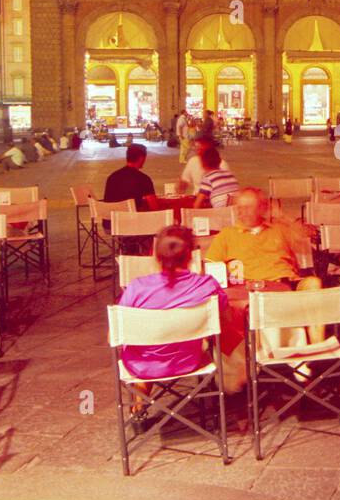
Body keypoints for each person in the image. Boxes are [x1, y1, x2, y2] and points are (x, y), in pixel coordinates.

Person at [117, 226, 227, 404]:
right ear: (191, 255)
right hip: (188, 360)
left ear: (155, 254)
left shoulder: (137, 287)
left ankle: (139, 402)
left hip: (143, 366)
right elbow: (222, 310)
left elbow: (115, 334)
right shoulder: (207, 285)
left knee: (141, 343)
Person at [206, 188, 325, 343]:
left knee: (313, 283)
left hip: (287, 284)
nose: (243, 212)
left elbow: (308, 233)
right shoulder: (227, 235)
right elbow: (210, 266)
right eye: (240, 208)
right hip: (251, 291)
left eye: (248, 207)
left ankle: (318, 347)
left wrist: (281, 216)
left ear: (261, 208)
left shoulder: (278, 229)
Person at [103, 143, 155, 210]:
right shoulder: (144, 179)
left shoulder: (112, 177)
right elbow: (153, 206)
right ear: (141, 158)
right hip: (132, 219)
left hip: (113, 218)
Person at [193, 145, 240, 209]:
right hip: (235, 212)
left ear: (203, 164)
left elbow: (197, 205)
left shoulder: (208, 178)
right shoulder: (231, 175)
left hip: (220, 215)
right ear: (220, 161)